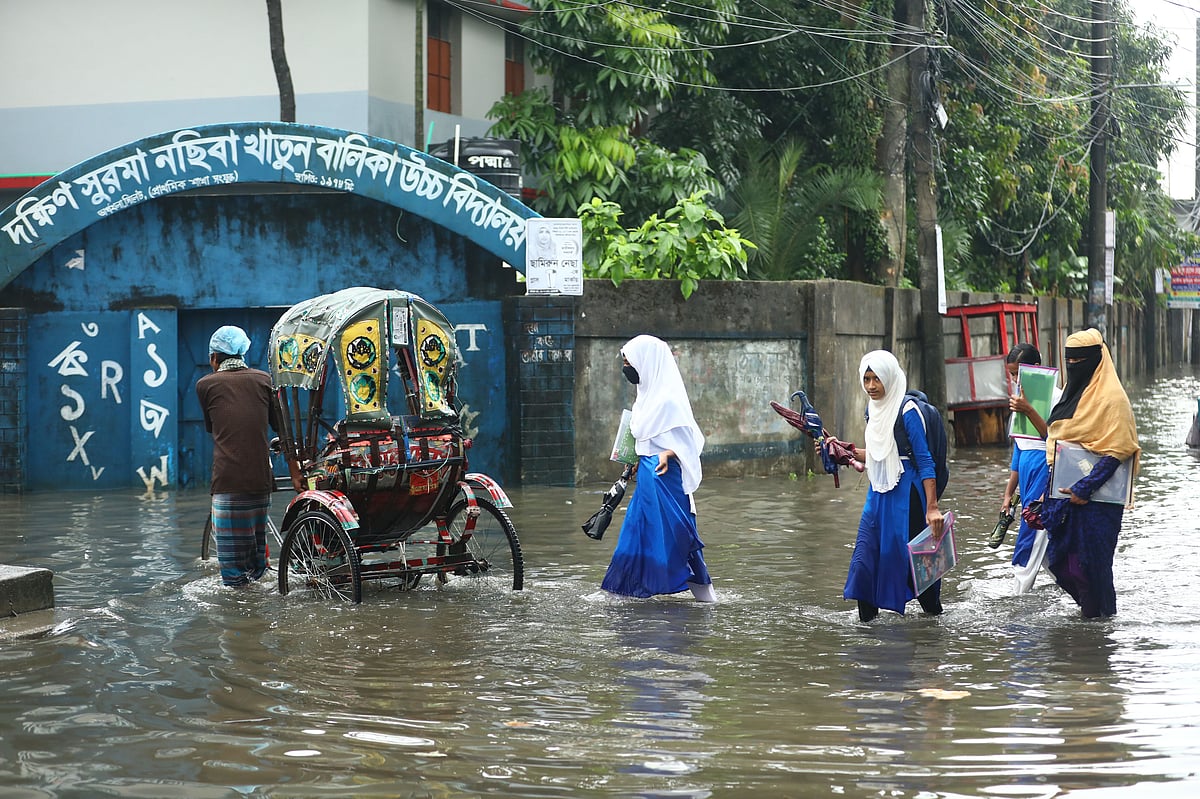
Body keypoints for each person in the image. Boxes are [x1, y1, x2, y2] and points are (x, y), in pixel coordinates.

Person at [600, 335, 716, 602]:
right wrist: (635, 464)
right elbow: (644, 440)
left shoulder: (669, 401)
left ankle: (707, 600)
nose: (627, 367)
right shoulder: (644, 399)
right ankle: (619, 594)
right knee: (636, 535)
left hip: (666, 477)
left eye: (630, 362)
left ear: (646, 363)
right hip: (646, 477)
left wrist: (667, 453)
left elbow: (692, 443)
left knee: (677, 537)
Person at [1034, 328, 1139, 618]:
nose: (1073, 367)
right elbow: (1057, 447)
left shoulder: (1112, 400)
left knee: (1092, 565)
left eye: (1080, 361)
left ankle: (1100, 628)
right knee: (1059, 561)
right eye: (1070, 361)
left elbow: (1120, 448)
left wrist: (1085, 488)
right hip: (1061, 496)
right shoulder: (1070, 396)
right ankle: (1088, 612)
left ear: (1096, 360)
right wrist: (1046, 494)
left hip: (1097, 503)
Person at [843, 350, 944, 622]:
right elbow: (878, 453)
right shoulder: (871, 409)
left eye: (877, 379)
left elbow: (924, 461)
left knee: (914, 562)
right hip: (878, 491)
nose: (872, 386)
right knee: (865, 557)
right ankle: (867, 627)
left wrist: (932, 507)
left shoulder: (907, 410)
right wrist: (846, 451)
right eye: (867, 379)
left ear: (889, 376)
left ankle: (933, 620)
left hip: (907, 493)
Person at [195, 325, 281, 588]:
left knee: (234, 578)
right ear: (243, 352)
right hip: (260, 483)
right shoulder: (264, 380)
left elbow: (214, 427)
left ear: (213, 358)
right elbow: (280, 425)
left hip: (228, 481)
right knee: (258, 565)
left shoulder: (205, 385)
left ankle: (241, 623)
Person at [996, 343, 1061, 593]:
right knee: (1047, 549)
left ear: (1034, 370)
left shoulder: (1056, 399)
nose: (1014, 380)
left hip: (1045, 476)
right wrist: (1008, 494)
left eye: (1017, 374)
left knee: (1030, 538)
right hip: (1026, 476)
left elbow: (1056, 442)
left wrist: (1029, 410)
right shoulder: (1018, 401)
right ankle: (1077, 590)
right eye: (1011, 375)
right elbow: (1019, 448)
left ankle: (1016, 604)